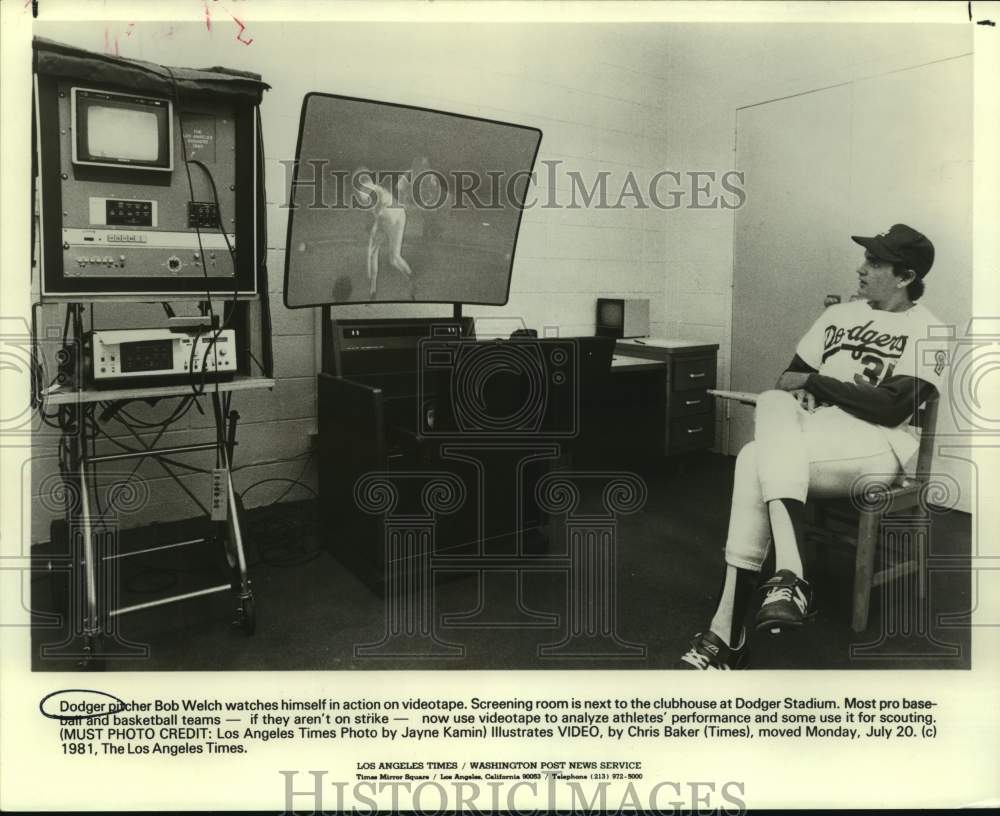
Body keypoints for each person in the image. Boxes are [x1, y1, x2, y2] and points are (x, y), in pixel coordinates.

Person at [679, 224, 950, 670]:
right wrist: (803, 385)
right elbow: (785, 380)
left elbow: (889, 407)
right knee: (769, 407)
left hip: (876, 446)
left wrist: (818, 381)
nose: (861, 269)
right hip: (817, 432)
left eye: (874, 263)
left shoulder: (930, 331)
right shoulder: (837, 316)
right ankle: (789, 575)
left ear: (904, 276)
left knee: (752, 457)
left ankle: (728, 631)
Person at [353, 168, 415, 300]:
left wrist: (373, 228)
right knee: (394, 258)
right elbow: (375, 210)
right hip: (398, 216)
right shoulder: (374, 188)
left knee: (374, 252)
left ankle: (373, 289)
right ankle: (410, 278)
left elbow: (376, 209)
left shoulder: (366, 191)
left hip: (389, 218)